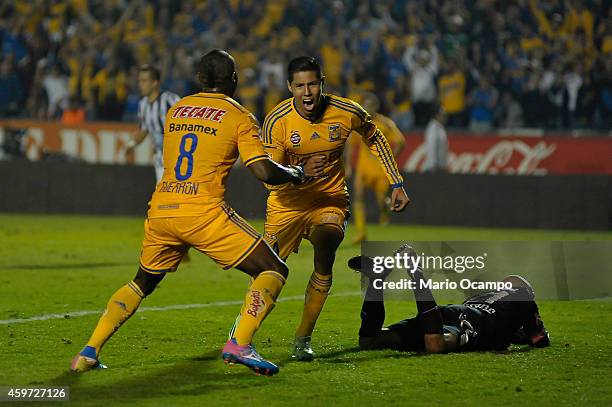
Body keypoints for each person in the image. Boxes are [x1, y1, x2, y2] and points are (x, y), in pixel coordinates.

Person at [71, 49, 322, 376]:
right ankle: (240, 343)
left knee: (142, 281)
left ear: (200, 79)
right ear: (234, 80)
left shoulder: (176, 109)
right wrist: (294, 174)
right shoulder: (239, 116)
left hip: (162, 208)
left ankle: (88, 352)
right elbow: (261, 170)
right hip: (202, 211)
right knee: (273, 268)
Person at [261, 56, 410, 361]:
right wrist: (300, 170)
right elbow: (269, 182)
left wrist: (396, 183)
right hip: (286, 204)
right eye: (300, 85)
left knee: (327, 244)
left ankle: (302, 338)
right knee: (266, 272)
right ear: (290, 87)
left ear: (322, 84)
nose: (307, 92)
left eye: (312, 84)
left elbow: (375, 137)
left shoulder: (346, 111)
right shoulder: (276, 121)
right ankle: (242, 335)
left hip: (328, 199)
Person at [348, 245, 550, 353]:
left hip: (447, 314)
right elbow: (539, 339)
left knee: (369, 340)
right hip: (470, 322)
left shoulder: (484, 296)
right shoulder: (524, 298)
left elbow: (512, 333)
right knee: (435, 345)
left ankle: (377, 279)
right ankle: (414, 269)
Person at [349, 92, 406, 244]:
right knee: (358, 196)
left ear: (376, 106)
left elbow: (401, 142)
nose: (367, 108)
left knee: (382, 201)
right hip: (362, 169)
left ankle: (385, 211)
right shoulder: (358, 123)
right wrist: (347, 165)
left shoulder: (385, 123)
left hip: (380, 171)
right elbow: (349, 144)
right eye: (365, 105)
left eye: (370, 105)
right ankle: (361, 232)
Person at [127, 65, 181, 184]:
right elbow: (144, 130)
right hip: (159, 160)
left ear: (155, 83)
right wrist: (131, 143)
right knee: (163, 197)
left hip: (178, 158)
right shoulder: (143, 104)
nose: (140, 84)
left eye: (144, 81)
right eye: (139, 81)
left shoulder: (171, 100)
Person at [422, 105, 449, 173]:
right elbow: (431, 147)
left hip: (439, 168)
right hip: (433, 169)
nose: (445, 117)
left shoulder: (440, 127)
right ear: (436, 115)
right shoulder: (433, 128)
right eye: (443, 115)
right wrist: (432, 165)